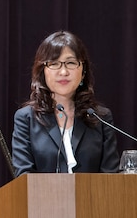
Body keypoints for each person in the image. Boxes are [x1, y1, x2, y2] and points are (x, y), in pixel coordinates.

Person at [11, 30, 120, 175]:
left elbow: (110, 177)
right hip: (43, 198)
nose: (63, 72)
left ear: (83, 72)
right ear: (42, 71)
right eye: (54, 63)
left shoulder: (100, 118)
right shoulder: (26, 119)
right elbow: (23, 177)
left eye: (70, 63)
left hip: (94, 198)